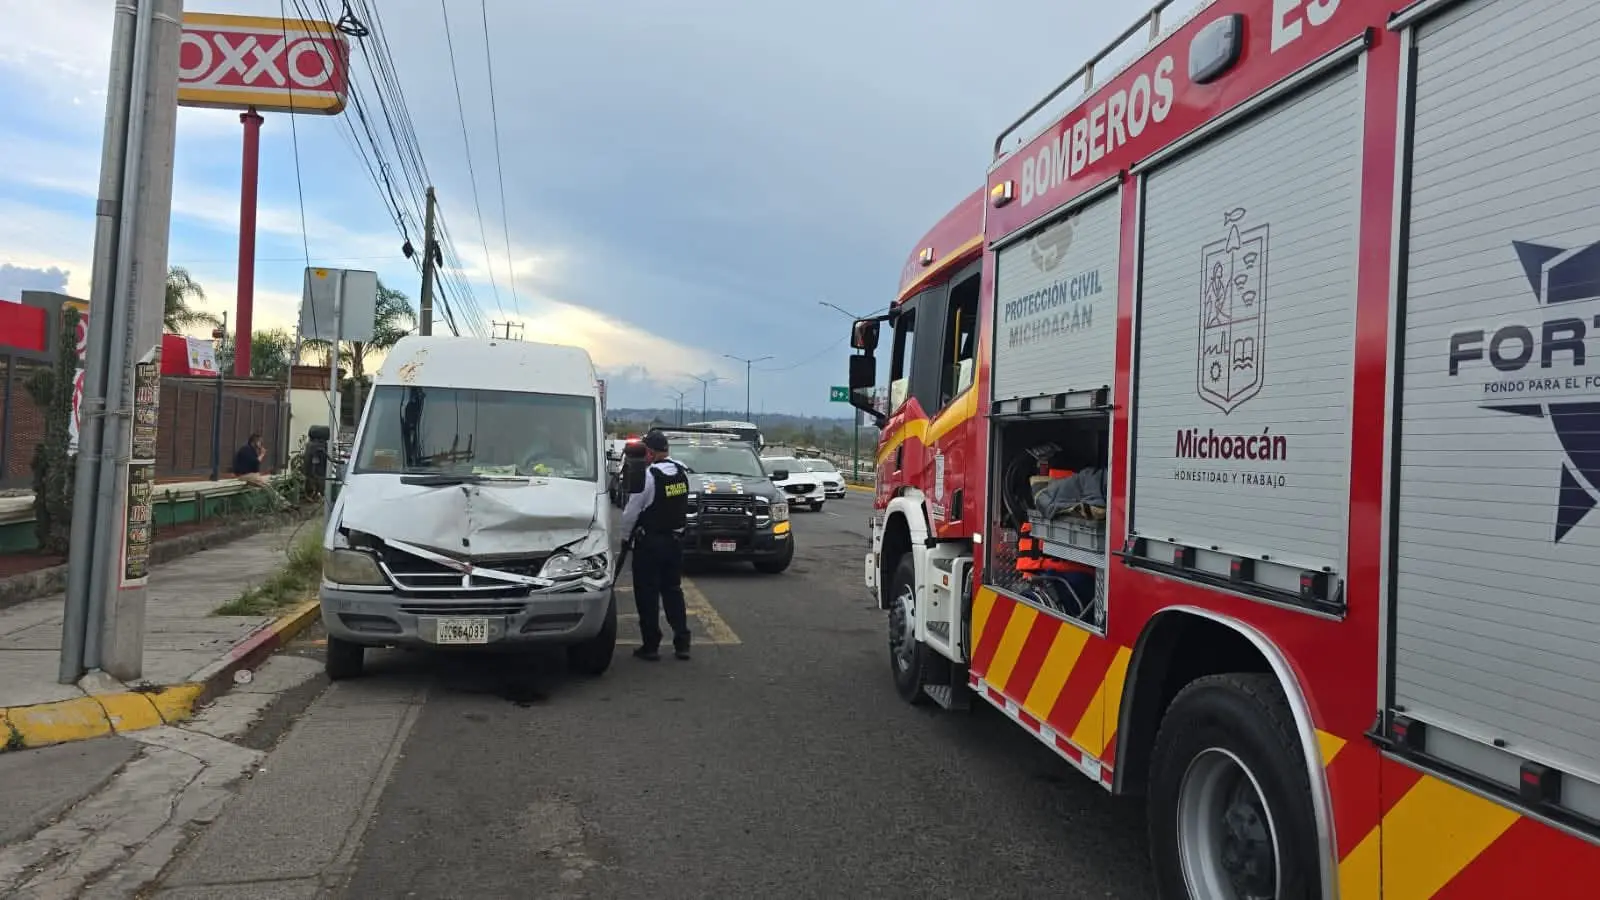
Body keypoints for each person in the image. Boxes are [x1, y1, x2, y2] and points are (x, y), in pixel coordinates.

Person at [619, 430, 691, 661]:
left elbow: (631, 512)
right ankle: (682, 642)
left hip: (650, 544)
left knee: (647, 594)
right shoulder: (681, 471)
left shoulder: (649, 476)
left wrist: (624, 538)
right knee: (673, 591)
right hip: (675, 542)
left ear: (649, 452)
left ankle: (651, 646)